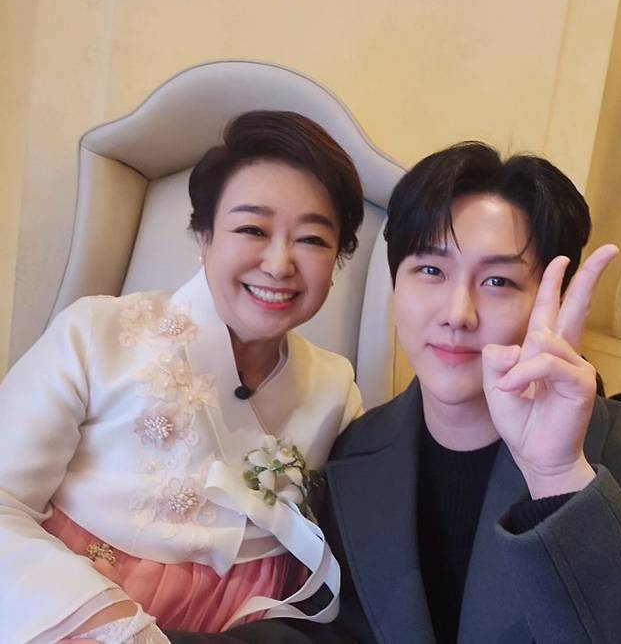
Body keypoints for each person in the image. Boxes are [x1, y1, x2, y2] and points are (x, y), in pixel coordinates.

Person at [173, 141, 621, 644]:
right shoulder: (355, 453)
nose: (457, 313)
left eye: (498, 281)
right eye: (431, 271)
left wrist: (556, 477)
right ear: (395, 284)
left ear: (552, 302)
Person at [0, 110, 366, 643]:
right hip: (77, 612)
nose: (280, 264)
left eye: (312, 239)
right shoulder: (96, 333)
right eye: (252, 229)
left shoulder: (336, 389)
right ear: (205, 235)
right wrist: (117, 631)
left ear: (337, 259)